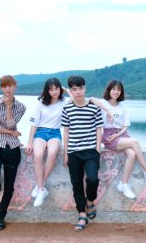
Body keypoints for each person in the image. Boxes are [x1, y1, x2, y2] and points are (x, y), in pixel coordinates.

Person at [26, 78, 112, 208]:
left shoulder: (64, 102)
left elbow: (81, 97)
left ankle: (40, 186)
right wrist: (29, 142)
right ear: (46, 91)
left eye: (56, 89)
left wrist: (65, 89)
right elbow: (34, 125)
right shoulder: (41, 104)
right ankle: (41, 187)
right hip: (41, 132)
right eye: (51, 89)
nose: (54, 92)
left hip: (55, 133)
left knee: (53, 152)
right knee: (37, 155)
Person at [91, 80, 146, 199]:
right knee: (135, 142)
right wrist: (107, 110)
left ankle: (123, 184)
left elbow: (125, 126)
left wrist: (118, 134)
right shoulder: (103, 103)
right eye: (113, 89)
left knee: (132, 154)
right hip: (109, 136)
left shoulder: (122, 107)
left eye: (118, 90)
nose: (116, 92)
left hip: (121, 135)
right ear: (109, 90)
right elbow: (91, 99)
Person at [61, 75, 103, 232]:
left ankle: (90, 200)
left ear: (85, 88)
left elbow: (99, 129)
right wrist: (66, 153)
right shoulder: (67, 108)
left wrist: (97, 150)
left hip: (91, 150)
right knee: (77, 184)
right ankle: (82, 214)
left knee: (92, 179)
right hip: (73, 152)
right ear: (71, 90)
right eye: (74, 89)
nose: (78, 92)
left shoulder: (94, 107)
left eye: (80, 88)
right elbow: (66, 131)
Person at [0, 75, 26, 231]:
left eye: (10, 86)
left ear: (15, 86)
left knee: (9, 187)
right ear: (1, 88)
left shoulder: (20, 107)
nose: (7, 89)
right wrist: (10, 133)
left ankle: (0, 216)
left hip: (13, 148)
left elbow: (11, 125)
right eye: (4, 86)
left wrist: (9, 107)